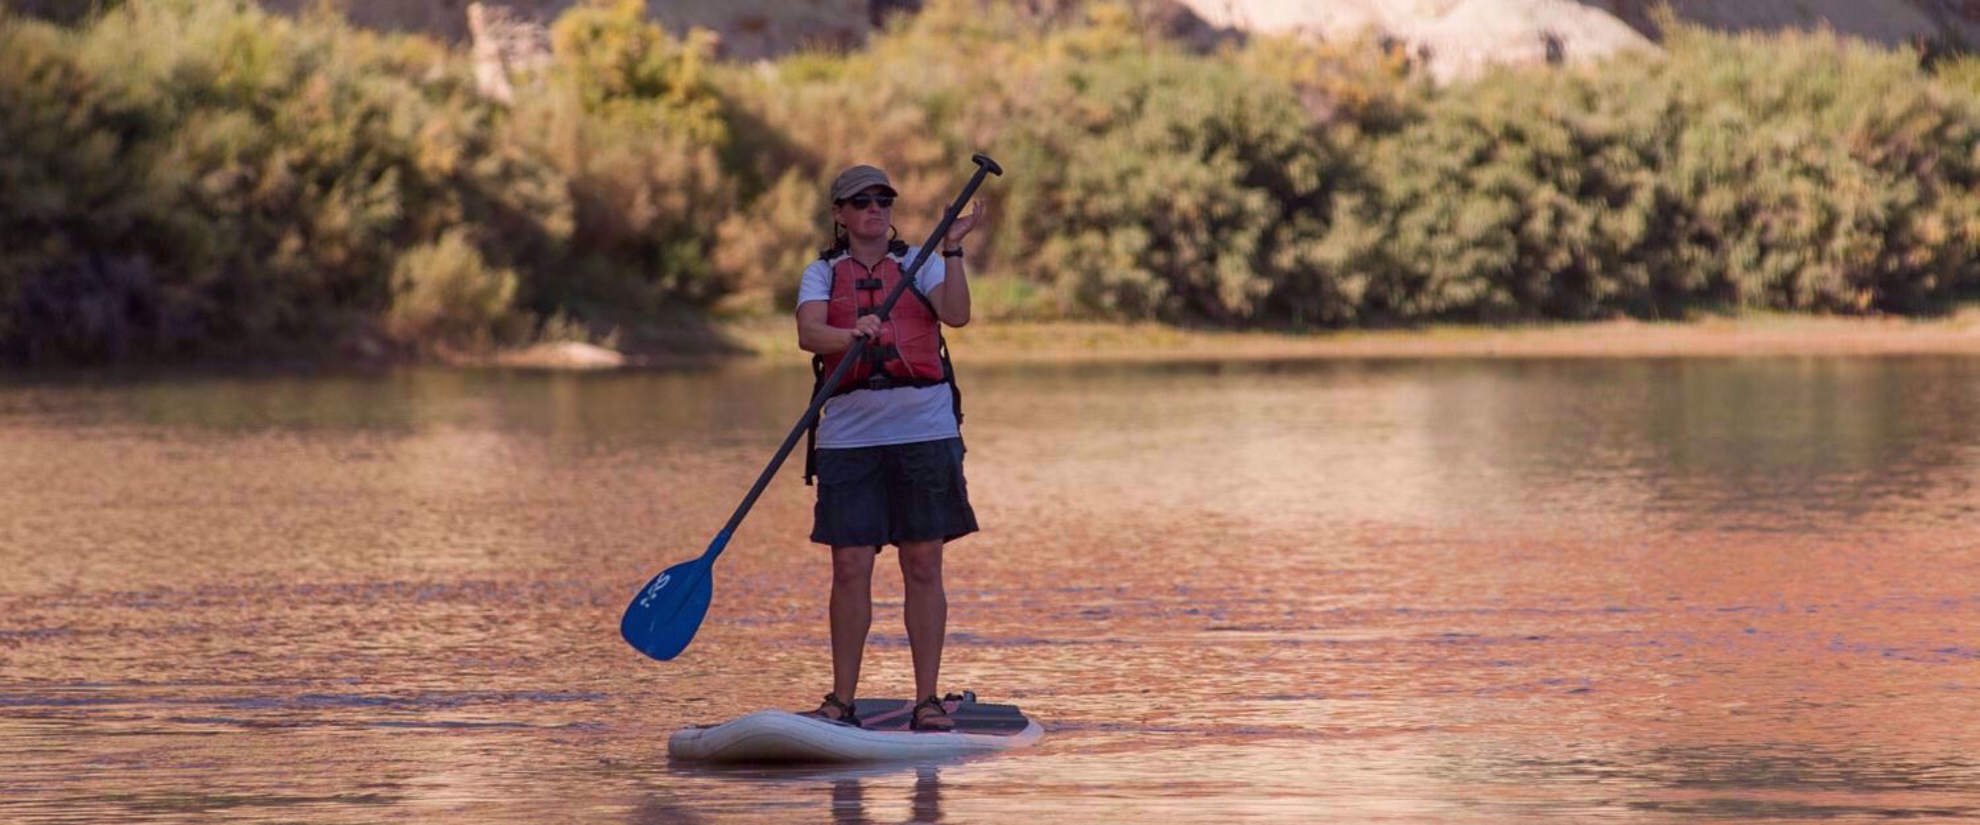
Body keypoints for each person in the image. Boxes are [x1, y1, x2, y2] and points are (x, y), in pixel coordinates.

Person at [795, 164, 986, 732]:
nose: (874, 209)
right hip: (850, 439)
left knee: (923, 563)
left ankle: (927, 701)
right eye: (860, 202)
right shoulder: (821, 273)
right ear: (839, 214)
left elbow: (957, 314)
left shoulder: (920, 264)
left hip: (924, 432)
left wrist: (952, 250)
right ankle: (841, 702)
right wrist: (849, 334)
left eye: (883, 199)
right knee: (850, 568)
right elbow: (809, 333)